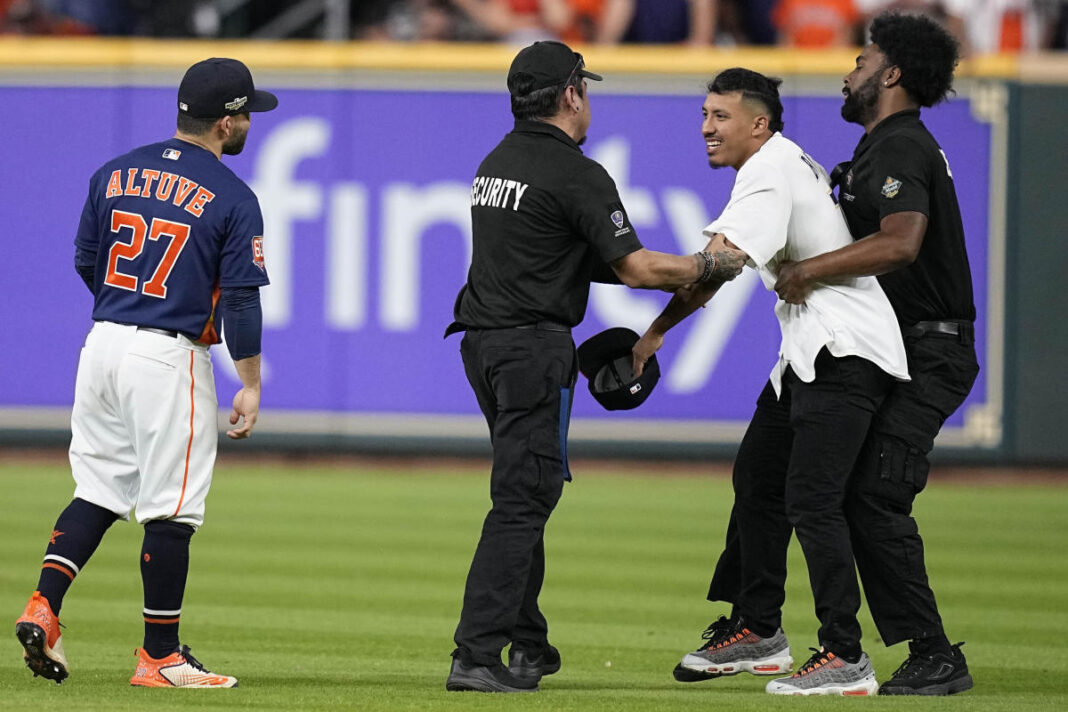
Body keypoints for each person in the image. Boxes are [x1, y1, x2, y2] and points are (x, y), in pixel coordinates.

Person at [443, 39, 745, 694]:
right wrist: (705, 267)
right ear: (571, 94)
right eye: (587, 88)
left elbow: (562, 256)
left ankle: (527, 645)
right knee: (524, 497)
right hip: (530, 350)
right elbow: (634, 267)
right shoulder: (576, 172)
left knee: (522, 488)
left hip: (484, 346)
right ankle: (476, 654)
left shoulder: (497, 161)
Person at [631, 67, 909, 696]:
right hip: (810, 354)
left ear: (759, 123)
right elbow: (721, 269)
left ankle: (846, 655)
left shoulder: (766, 169)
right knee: (758, 478)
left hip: (846, 351)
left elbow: (719, 262)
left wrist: (637, 277)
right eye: (703, 114)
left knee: (813, 500)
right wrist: (657, 332)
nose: (706, 128)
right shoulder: (778, 162)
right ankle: (759, 629)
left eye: (720, 116)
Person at [14, 57, 275, 689]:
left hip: (102, 341)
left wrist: (125, 309)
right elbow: (239, 299)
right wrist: (250, 380)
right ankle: (160, 656)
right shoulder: (234, 196)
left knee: (100, 488)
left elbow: (86, 259)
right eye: (245, 114)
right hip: (165, 355)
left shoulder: (115, 171)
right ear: (226, 121)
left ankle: (43, 606)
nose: (248, 124)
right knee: (173, 509)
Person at [774, 11, 979, 696]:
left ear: (890, 74)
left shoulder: (897, 145)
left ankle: (934, 654)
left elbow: (901, 242)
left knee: (875, 494)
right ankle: (913, 651)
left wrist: (810, 269)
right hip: (908, 346)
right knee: (852, 494)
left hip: (932, 350)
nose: (847, 70)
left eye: (861, 61)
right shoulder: (881, 148)